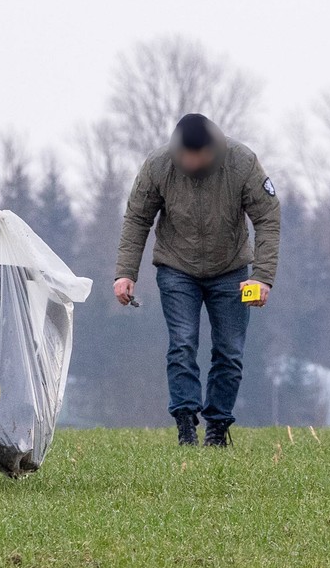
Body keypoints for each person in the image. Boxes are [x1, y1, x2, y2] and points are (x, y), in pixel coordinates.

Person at [113, 113, 281, 447]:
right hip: (177, 269)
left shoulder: (242, 163)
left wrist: (263, 277)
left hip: (232, 270)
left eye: (197, 156)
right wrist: (125, 273)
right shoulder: (159, 165)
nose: (190, 162)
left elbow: (267, 216)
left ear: (212, 149)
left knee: (229, 352)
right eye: (184, 155)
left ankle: (217, 427)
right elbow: (137, 218)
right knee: (183, 344)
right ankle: (186, 424)